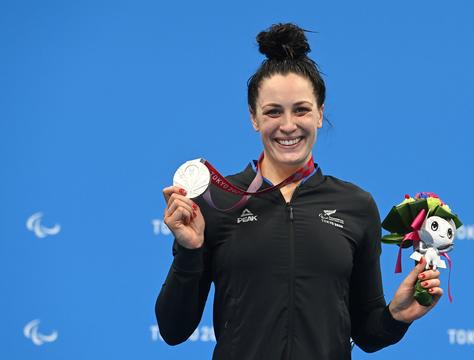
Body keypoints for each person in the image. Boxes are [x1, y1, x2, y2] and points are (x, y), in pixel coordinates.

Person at [156, 23, 444, 360]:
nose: (288, 125)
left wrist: (396, 316)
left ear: (320, 114)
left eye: (302, 109)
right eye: (273, 111)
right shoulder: (217, 201)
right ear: (253, 118)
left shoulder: (356, 206)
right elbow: (173, 330)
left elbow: (367, 333)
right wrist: (189, 252)